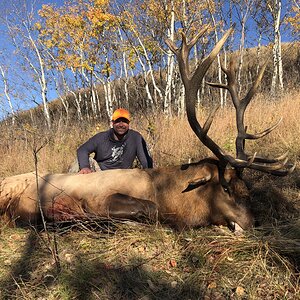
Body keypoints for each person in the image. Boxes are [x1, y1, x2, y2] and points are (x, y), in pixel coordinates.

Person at [76, 108, 153, 174]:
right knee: (77, 164)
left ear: (129, 123)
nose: (121, 124)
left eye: (124, 121)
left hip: (124, 176)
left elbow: (145, 161)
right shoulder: (101, 137)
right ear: (112, 123)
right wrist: (85, 167)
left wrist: (151, 174)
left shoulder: (135, 137)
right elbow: (82, 150)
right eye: (118, 121)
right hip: (100, 174)